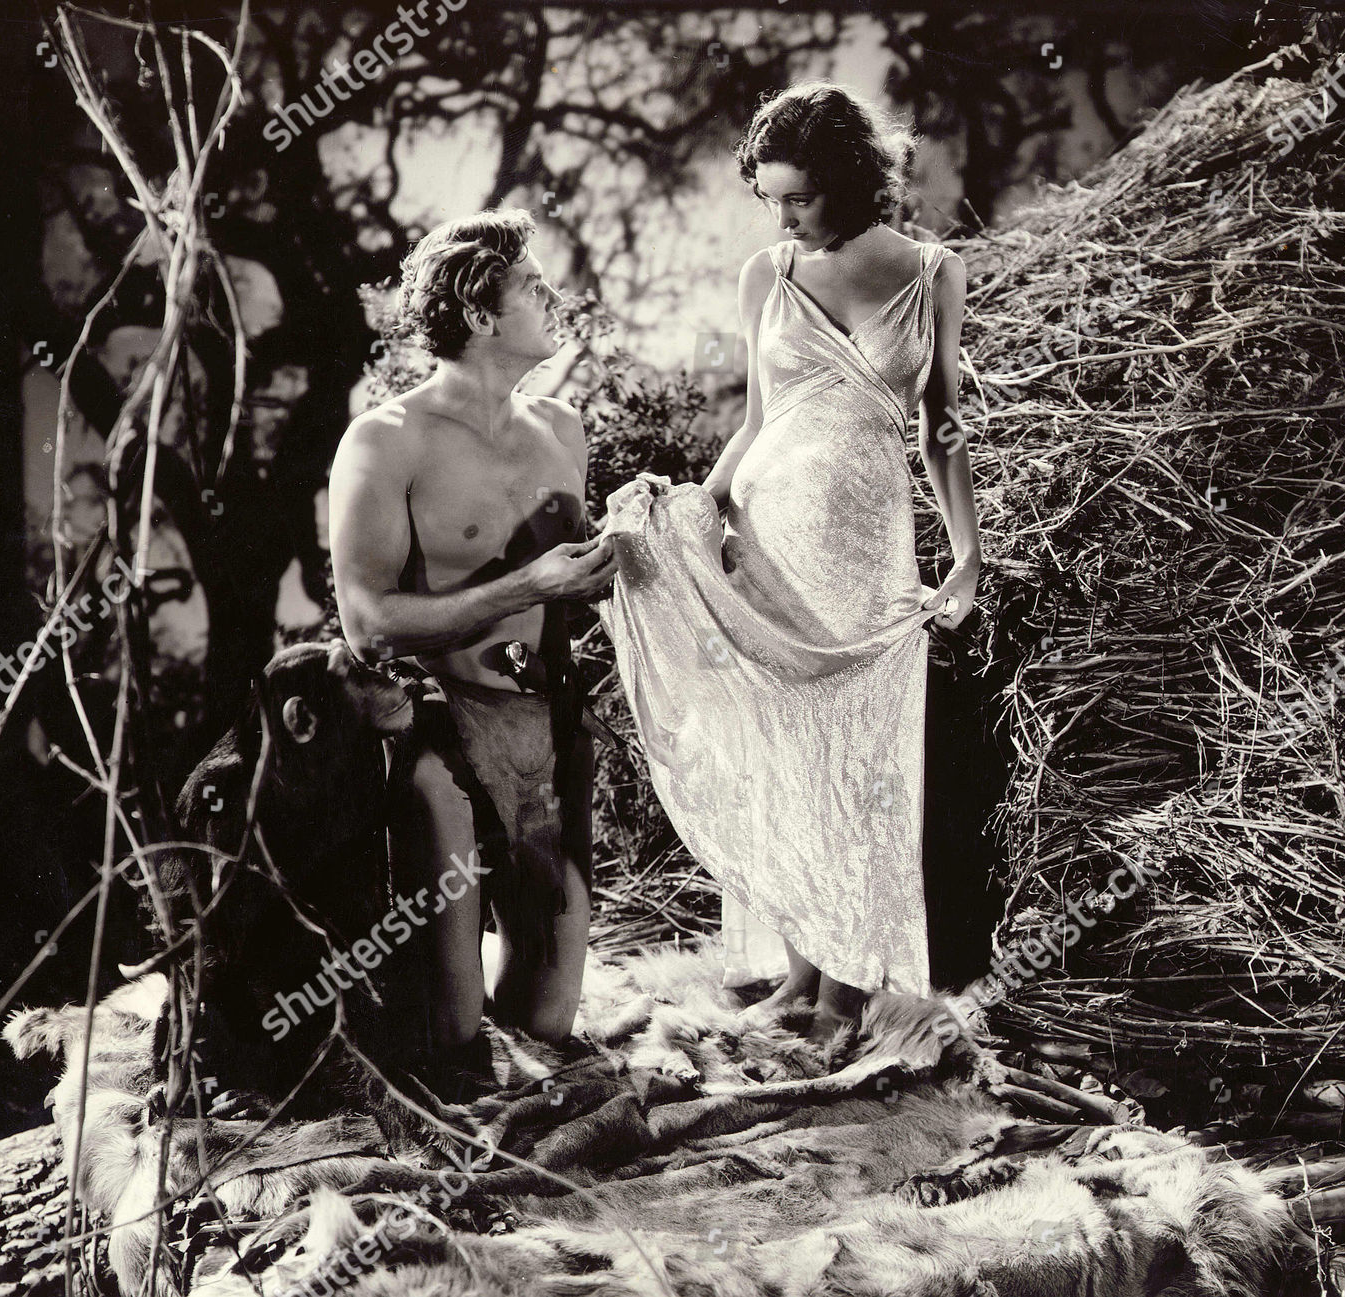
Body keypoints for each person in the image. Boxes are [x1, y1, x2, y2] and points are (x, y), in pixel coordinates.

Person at [600, 82, 982, 1044]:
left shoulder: (932, 271)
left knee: (860, 759)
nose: (782, 214)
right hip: (772, 533)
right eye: (769, 195)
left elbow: (942, 430)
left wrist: (968, 558)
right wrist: (697, 507)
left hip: (867, 549)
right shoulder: (765, 273)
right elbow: (761, 420)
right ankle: (800, 977)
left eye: (800, 196)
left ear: (851, 181)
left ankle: (848, 992)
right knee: (782, 750)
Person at [329, 210, 617, 1091]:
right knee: (453, 1044)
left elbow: (577, 592)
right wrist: (527, 586)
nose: (554, 297)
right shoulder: (387, 441)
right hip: (445, 739)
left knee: (545, 1023)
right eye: (533, 285)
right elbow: (367, 622)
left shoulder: (563, 429)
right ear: (480, 312)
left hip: (551, 730)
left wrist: (626, 557)